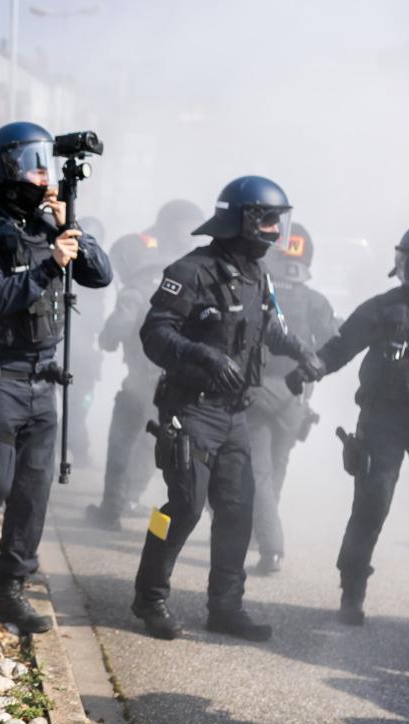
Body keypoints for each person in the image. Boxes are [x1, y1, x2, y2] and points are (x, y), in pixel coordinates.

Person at [131, 176, 323, 641]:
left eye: (280, 220)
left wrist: (303, 351)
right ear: (241, 219)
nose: (275, 230)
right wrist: (205, 356)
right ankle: (150, 598)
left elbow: (269, 329)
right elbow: (154, 334)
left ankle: (225, 607)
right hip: (191, 409)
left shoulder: (260, 274)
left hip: (236, 412)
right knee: (184, 505)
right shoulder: (191, 270)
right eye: (267, 219)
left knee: (239, 509)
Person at [0, 121, 112, 634]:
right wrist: (43, 269)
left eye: (47, 161)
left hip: (44, 382)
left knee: (34, 492)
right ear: (9, 166)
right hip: (0, 379)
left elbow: (99, 275)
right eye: (35, 161)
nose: (45, 172)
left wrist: (70, 226)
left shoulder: (48, 228)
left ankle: (10, 592)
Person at [287, 221, 409, 625]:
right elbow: (340, 346)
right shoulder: (382, 308)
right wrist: (311, 367)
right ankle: (352, 591)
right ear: (406, 265)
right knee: (372, 505)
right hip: (383, 419)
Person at [248, 223, 338, 573]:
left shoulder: (257, 291)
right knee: (277, 467)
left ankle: (270, 545)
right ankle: (263, 533)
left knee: (258, 473)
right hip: (295, 402)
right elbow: (330, 346)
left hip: (255, 393)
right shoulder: (317, 301)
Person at [87, 233, 168, 530]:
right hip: (172, 385)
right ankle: (134, 497)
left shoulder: (134, 292)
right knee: (155, 444)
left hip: (140, 384)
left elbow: (115, 332)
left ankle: (111, 510)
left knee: (121, 442)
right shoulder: (175, 286)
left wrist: (107, 338)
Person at [68, 215, 107, 469]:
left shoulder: (93, 276)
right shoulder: (62, 269)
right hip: (68, 353)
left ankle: (80, 452)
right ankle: (79, 453)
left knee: (78, 408)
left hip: (82, 357)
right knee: (75, 409)